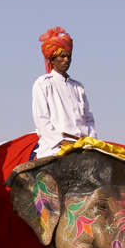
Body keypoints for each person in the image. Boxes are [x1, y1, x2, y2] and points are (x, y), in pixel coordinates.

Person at [32, 27, 97, 157]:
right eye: (62, 56)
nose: (66, 60)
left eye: (69, 56)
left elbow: (89, 120)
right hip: (55, 148)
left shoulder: (78, 87)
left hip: (83, 146)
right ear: (51, 59)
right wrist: (61, 141)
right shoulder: (43, 83)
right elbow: (41, 120)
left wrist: (91, 140)